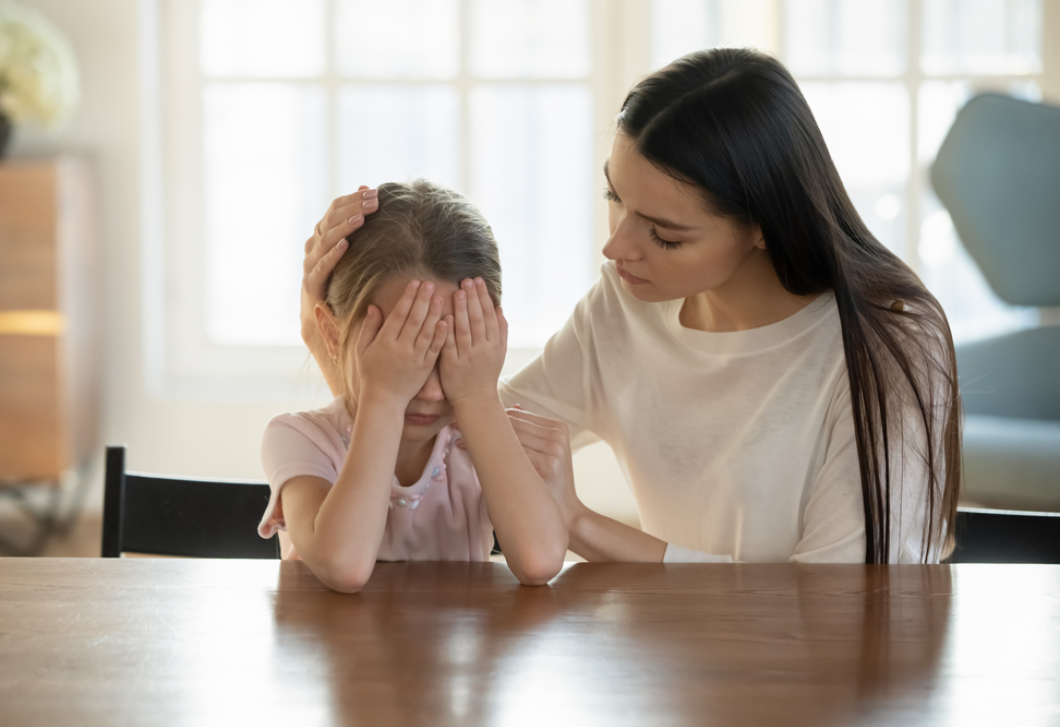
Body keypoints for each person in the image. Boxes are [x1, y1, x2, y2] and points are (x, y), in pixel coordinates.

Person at [301, 49, 961, 565]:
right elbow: (450, 435)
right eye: (614, 197)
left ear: (764, 224)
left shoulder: (890, 345)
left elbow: (841, 603)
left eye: (664, 233)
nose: (616, 246)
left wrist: (583, 524)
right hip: (672, 669)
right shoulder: (628, 306)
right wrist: (328, 334)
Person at [260, 180, 568, 592]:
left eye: (453, 354)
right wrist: (383, 396)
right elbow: (345, 566)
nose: (432, 392)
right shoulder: (300, 439)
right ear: (332, 336)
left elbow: (540, 560)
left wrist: (477, 396)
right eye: (402, 357)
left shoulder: (475, 437)